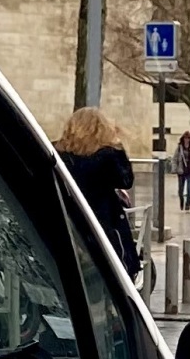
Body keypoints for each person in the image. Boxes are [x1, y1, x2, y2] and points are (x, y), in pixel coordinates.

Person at [56, 106, 139, 273]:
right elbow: (126, 180)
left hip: (69, 226)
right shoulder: (106, 157)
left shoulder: (58, 155)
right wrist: (117, 147)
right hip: (103, 226)